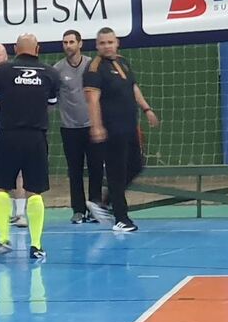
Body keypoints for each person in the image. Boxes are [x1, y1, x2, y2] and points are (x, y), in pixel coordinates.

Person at [0, 34, 60, 260]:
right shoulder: (50, 73)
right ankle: (36, 245)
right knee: (34, 191)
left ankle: (2, 240)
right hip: (36, 137)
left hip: (8, 135)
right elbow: (51, 105)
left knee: (1, 187)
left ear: (16, 49)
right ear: (37, 49)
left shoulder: (3, 71)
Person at [84, 27, 160, 232]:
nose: (107, 46)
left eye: (110, 42)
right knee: (116, 172)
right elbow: (92, 99)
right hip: (111, 129)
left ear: (117, 42)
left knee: (135, 165)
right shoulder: (94, 67)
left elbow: (133, 87)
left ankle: (105, 203)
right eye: (102, 43)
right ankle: (121, 218)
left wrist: (147, 109)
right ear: (97, 45)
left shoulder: (122, 61)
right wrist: (97, 126)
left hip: (129, 126)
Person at [53, 30, 102, 223]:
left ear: (80, 44)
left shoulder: (92, 65)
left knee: (96, 169)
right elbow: (52, 97)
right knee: (74, 171)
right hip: (69, 129)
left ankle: (96, 208)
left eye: (72, 42)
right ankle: (79, 210)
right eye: (65, 42)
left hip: (92, 126)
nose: (68, 46)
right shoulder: (57, 69)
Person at [0, 43, 27, 227]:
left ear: (6, 57)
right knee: (0, 175)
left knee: (18, 174)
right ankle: (5, 213)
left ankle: (20, 214)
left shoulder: (15, 76)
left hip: (13, 132)